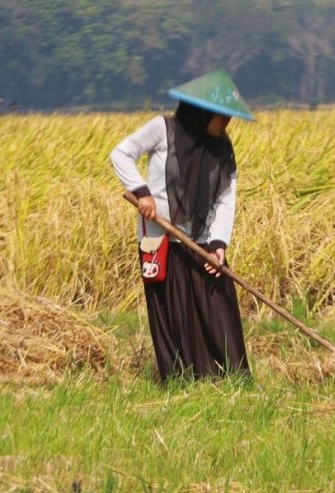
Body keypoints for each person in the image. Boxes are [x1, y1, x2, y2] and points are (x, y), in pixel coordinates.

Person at [109, 70, 255, 381]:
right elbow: (121, 153)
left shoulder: (222, 148)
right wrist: (142, 192)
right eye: (223, 116)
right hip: (161, 240)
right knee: (173, 310)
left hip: (202, 242)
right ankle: (180, 379)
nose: (228, 123)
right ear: (204, 113)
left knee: (218, 305)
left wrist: (218, 243)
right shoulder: (163, 129)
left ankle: (229, 378)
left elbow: (225, 198)